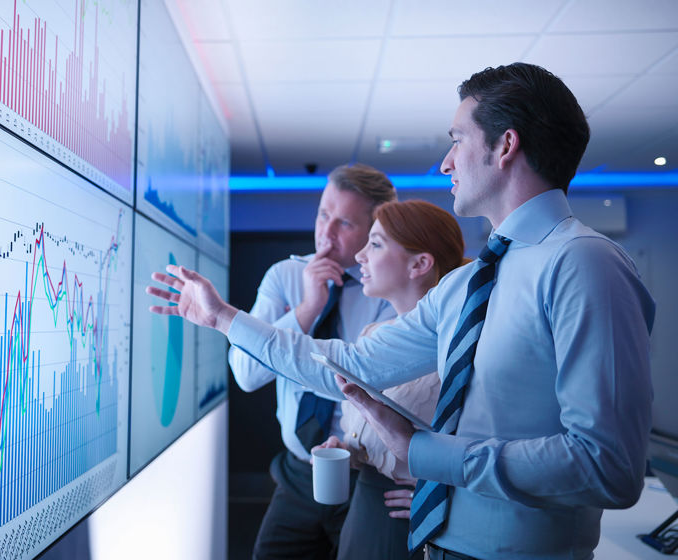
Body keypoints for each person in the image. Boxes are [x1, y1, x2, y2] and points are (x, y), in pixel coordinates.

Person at [147, 62, 656, 559]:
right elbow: (350, 364)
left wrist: (429, 456)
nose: (445, 163)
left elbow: (607, 466)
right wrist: (223, 319)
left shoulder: (585, 264)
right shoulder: (466, 284)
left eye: (457, 140)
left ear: (505, 145)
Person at [228, 163, 397, 559]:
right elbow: (247, 375)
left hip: (366, 475)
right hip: (299, 472)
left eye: (344, 224)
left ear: (373, 231)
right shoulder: (284, 275)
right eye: (323, 214)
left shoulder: (388, 290)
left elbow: (379, 382)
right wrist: (306, 309)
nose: (326, 232)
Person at [313, 199, 468, 560]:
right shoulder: (372, 335)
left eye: (376, 244)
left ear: (420, 264)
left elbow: (480, 449)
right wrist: (343, 450)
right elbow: (372, 441)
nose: (361, 256)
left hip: (410, 519)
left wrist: (447, 495)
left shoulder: (455, 349)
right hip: (364, 510)